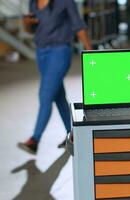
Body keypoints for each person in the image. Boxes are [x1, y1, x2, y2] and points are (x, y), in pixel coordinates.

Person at [18, 0, 92, 155]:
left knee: (45, 95)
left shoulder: (64, 2)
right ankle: (74, 137)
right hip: (41, 53)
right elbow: (33, 29)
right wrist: (27, 23)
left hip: (60, 52)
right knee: (58, 97)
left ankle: (34, 140)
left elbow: (78, 26)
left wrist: (91, 53)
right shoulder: (33, 3)